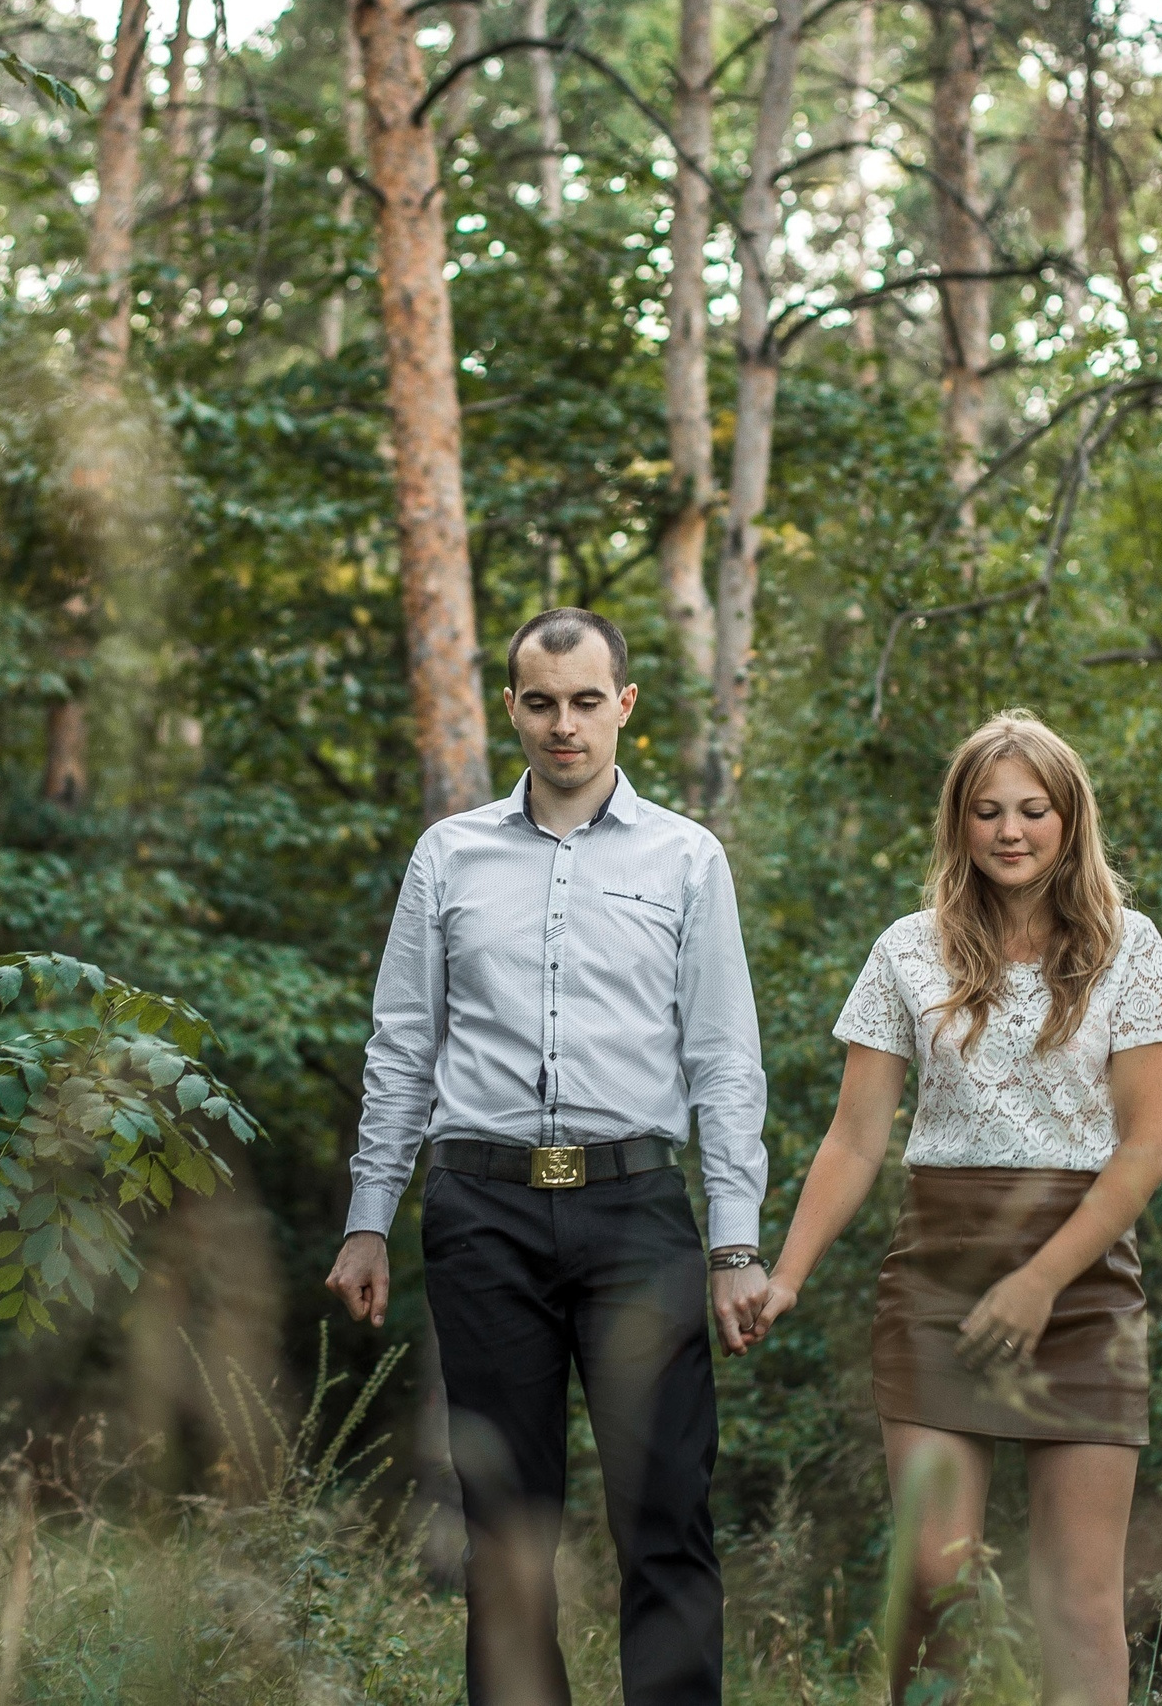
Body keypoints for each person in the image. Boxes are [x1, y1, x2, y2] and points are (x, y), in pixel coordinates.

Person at [324, 607, 773, 1706]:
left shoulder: (685, 857)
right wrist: (368, 1214)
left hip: (638, 1215)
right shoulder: (449, 857)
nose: (562, 726)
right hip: (483, 1215)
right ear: (512, 707)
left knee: (665, 1514)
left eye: (584, 702)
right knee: (506, 1528)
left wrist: (734, 1244)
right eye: (540, 703)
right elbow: (401, 1045)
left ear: (623, 706)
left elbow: (723, 1059)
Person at [755, 710, 1162, 1705]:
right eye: (986, 810)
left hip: (1081, 1289)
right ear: (959, 822)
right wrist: (786, 1274)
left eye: (1032, 809)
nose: (1009, 831)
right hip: (938, 1281)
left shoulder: (1133, 949)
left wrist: (1041, 1282)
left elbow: (1147, 1146)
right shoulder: (907, 951)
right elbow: (856, 1138)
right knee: (935, 1586)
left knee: (1077, 1602)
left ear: (1069, 819)